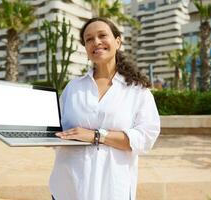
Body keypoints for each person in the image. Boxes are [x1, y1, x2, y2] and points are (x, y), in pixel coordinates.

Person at [49, 17, 160, 200]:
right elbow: (57, 129)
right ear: (85, 48)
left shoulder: (137, 91)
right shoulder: (73, 88)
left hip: (113, 189)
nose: (96, 42)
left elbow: (146, 138)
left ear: (117, 41)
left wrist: (96, 136)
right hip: (69, 187)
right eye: (89, 39)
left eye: (102, 35)